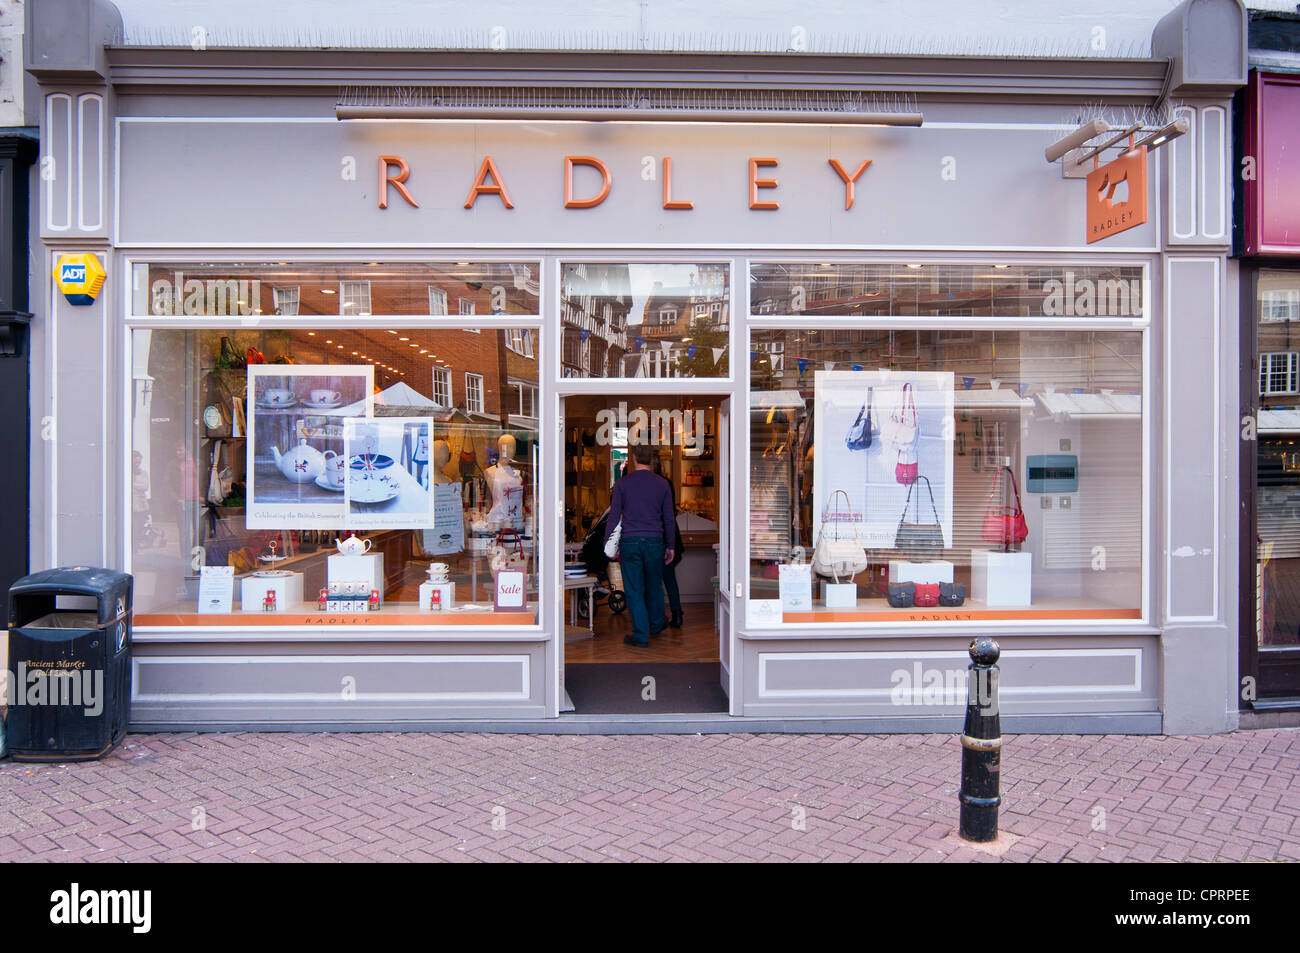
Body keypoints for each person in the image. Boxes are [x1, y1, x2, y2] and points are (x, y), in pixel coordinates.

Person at [604, 443, 675, 647]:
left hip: (631, 541)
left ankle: (641, 635)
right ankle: (656, 625)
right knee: (654, 585)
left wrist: (608, 543)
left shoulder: (623, 484)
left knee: (634, 588)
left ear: (634, 458)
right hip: (655, 541)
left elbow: (614, 516)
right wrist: (670, 545)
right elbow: (669, 518)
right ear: (652, 459)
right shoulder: (662, 484)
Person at [650, 453, 686, 628]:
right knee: (669, 579)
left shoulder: (650, 485)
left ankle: (657, 616)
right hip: (670, 535)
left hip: (658, 536)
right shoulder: (667, 483)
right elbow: (670, 513)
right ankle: (676, 613)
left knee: (654, 580)